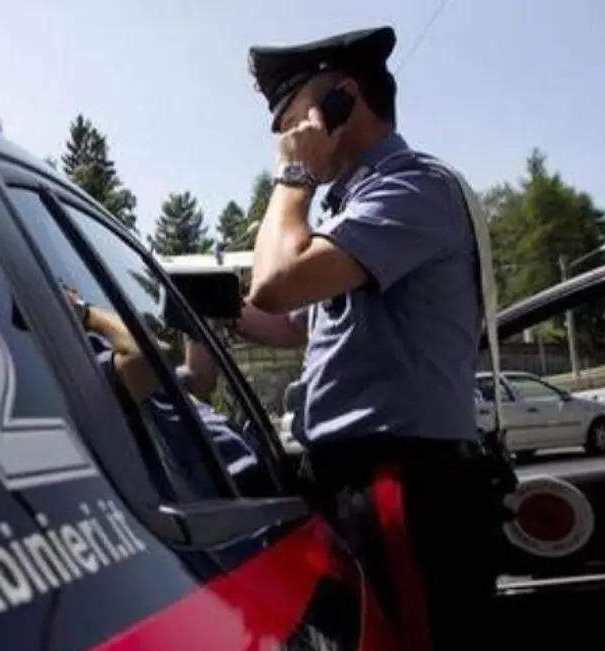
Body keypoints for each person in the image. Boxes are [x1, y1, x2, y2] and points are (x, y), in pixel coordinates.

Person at [245, 26, 503, 651]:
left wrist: (294, 178)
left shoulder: (413, 188)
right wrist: (196, 313)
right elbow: (289, 321)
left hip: (400, 485)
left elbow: (277, 282)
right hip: (363, 482)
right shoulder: (348, 208)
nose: (284, 138)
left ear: (343, 98)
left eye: (291, 116)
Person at [61, 286, 274, 498]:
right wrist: (85, 311)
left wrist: (200, 330)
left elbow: (192, 376)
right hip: (233, 496)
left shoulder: (161, 384)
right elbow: (152, 357)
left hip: (252, 477)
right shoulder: (83, 362)